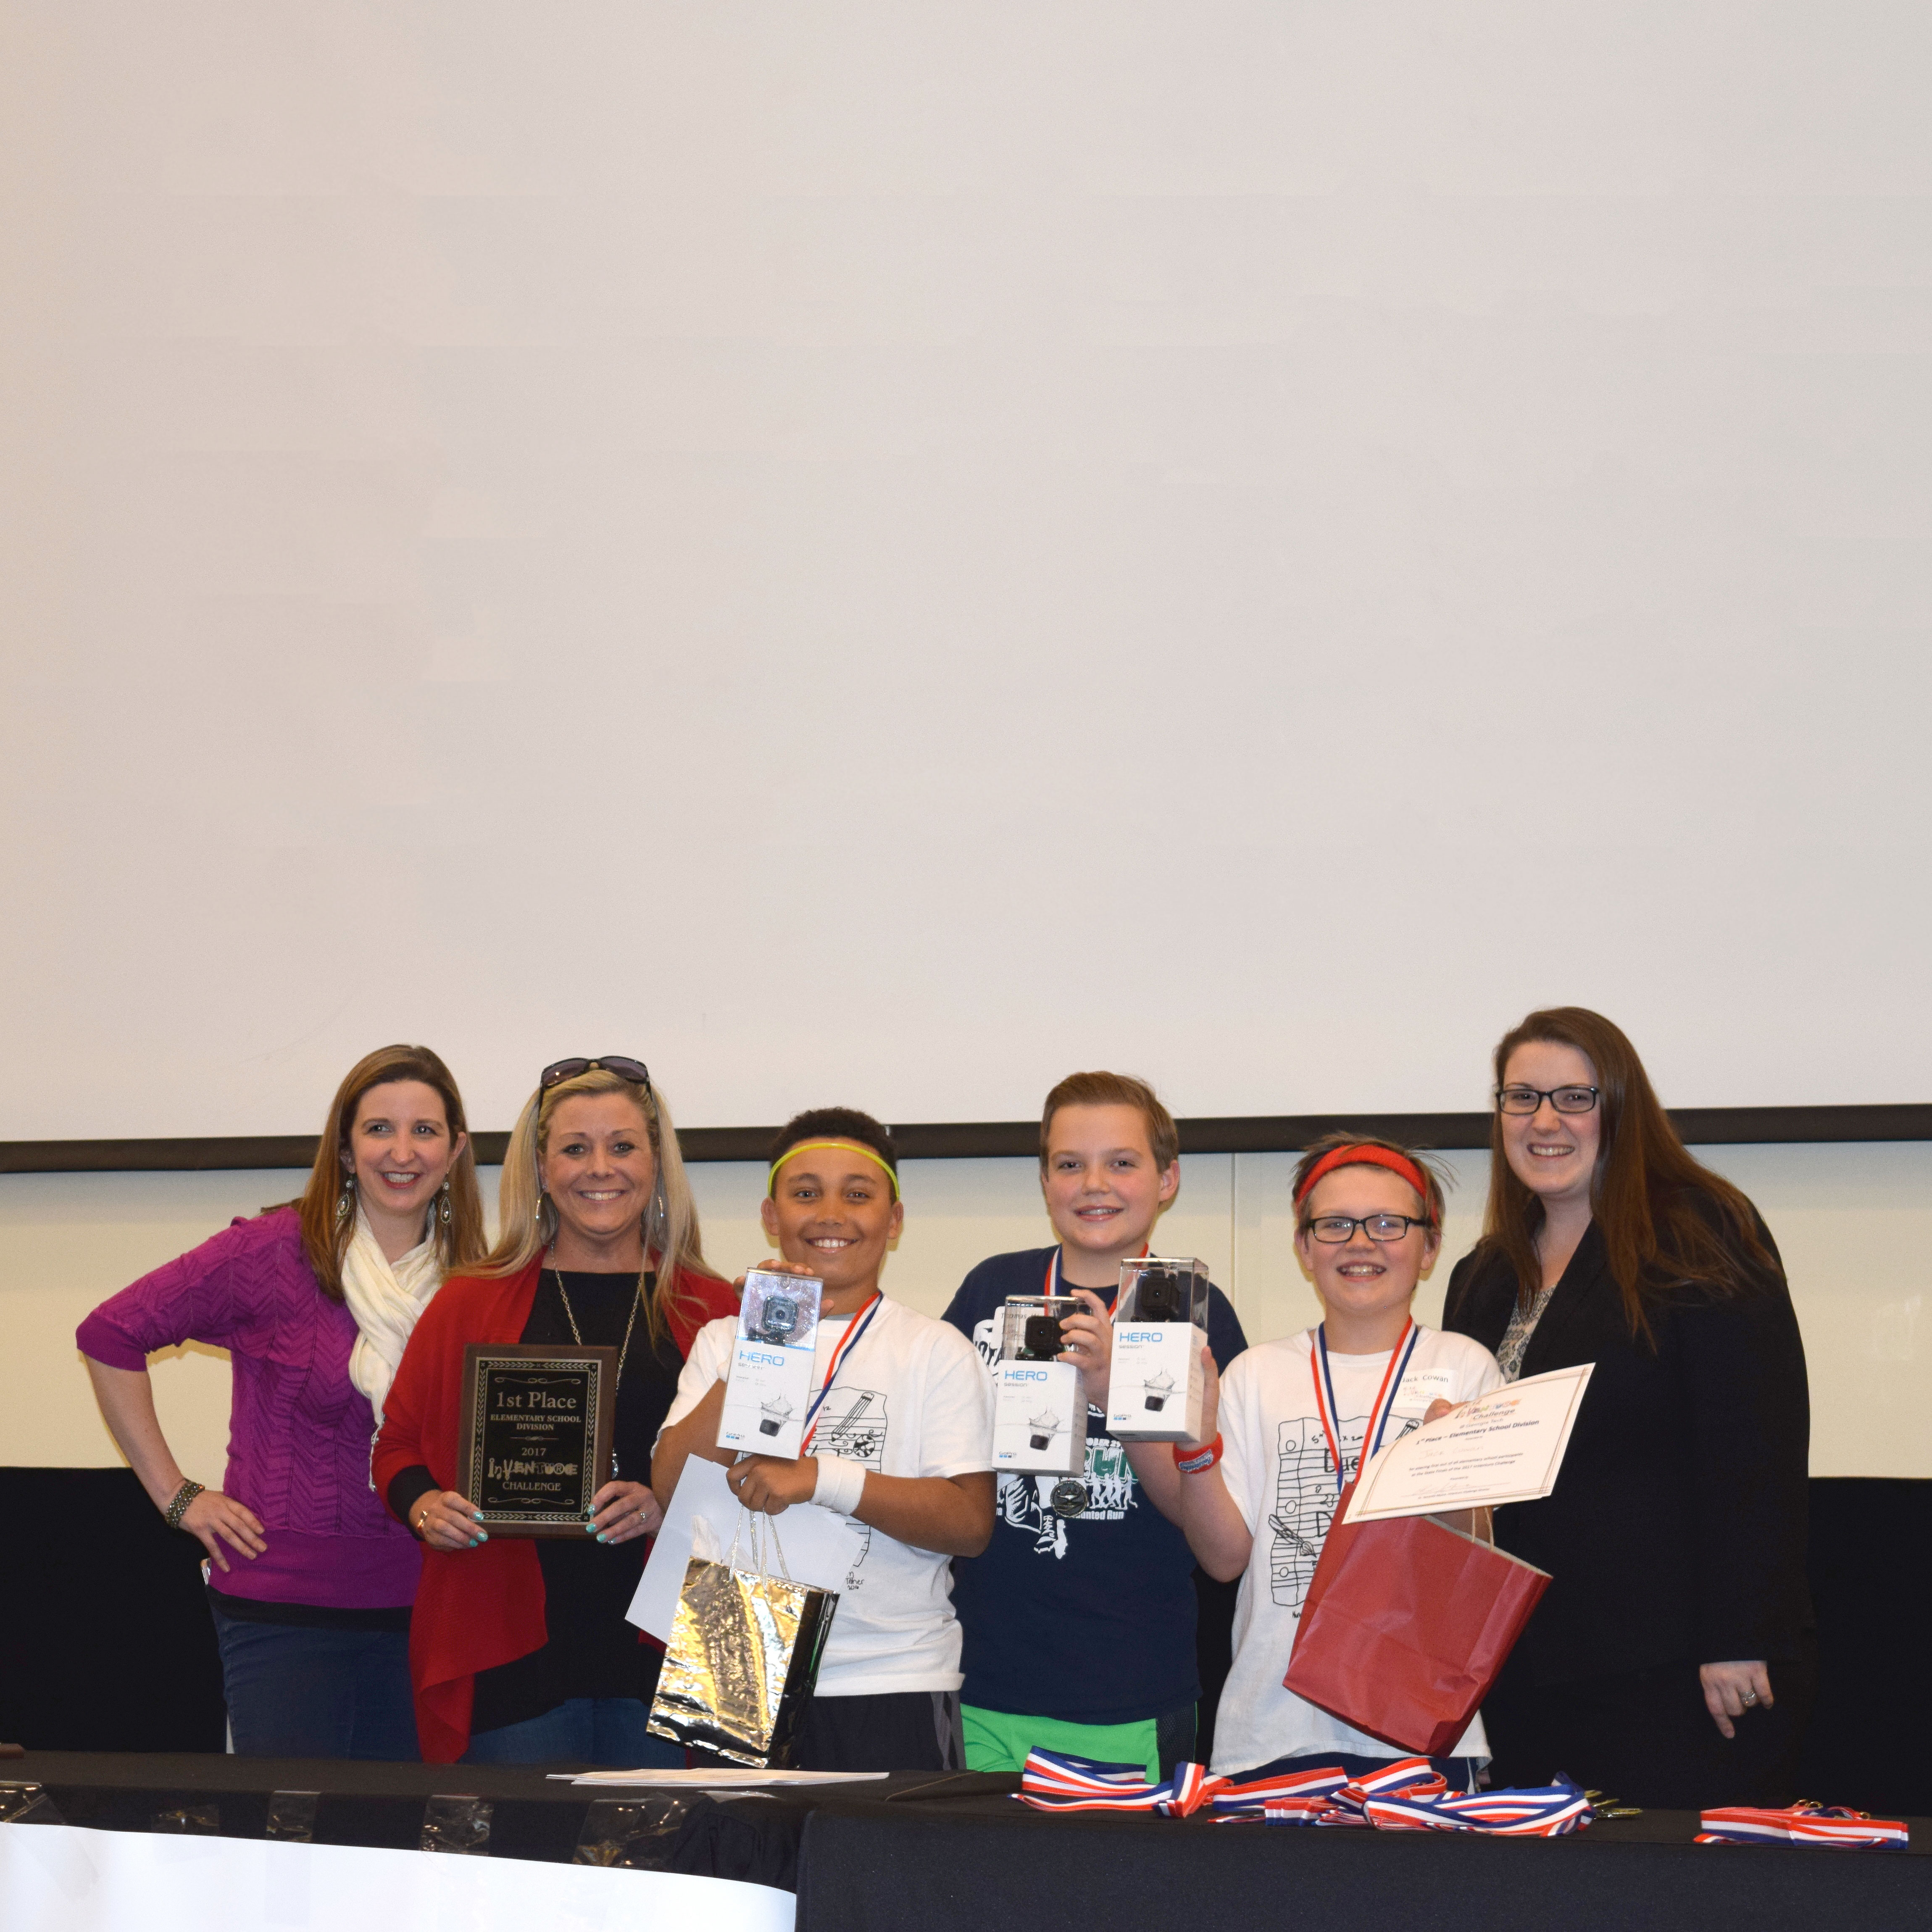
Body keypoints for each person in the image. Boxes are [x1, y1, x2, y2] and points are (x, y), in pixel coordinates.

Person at [1441, 1006, 1813, 1808]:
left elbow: (1753, 1450)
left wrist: (1738, 1637)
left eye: (1574, 1097)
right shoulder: (1483, 1272)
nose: (1544, 1121)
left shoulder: (1701, 1232)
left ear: (1620, 1106)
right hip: (1521, 1667)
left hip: (1671, 1666)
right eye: (1521, 1097)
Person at [78, 1044, 487, 1759]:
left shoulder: (481, 1279)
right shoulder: (272, 1253)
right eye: (378, 1128)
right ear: (345, 1145)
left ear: (455, 1150)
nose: (402, 1151)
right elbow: (110, 1333)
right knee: (289, 1848)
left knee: (401, 1853)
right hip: (282, 1614)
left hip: (431, 1607)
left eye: (424, 1130)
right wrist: (177, 1497)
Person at [373, 1057, 737, 1766]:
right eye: (575, 1148)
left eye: (623, 1145)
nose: (600, 1168)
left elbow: (760, 1471)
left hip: (673, 1649)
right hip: (514, 1647)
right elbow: (397, 1445)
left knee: (675, 1873)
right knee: (526, 1866)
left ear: (656, 1163)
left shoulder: (713, 1306)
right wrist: (424, 1508)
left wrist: (672, 1503)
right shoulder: (469, 1301)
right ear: (541, 1168)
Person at [655, 1108, 995, 1773]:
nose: (831, 1213)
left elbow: (969, 1522)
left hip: (887, 1672)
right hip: (731, 1653)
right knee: (733, 1871)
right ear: (770, 1214)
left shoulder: (934, 1349)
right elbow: (670, 1488)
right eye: (805, 1193)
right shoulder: (724, 1340)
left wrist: (820, 1477)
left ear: (893, 1220)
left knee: (878, 1876)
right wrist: (765, 1341)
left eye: (858, 1195)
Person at [1160, 1134, 1502, 1785]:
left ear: (1428, 1247)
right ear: (1302, 1246)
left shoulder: (1462, 1365)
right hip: (1272, 1729)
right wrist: (1194, 1448)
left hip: (1423, 1725)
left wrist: (1450, 1467)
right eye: (1335, 1224)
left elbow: (1477, 1562)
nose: (1360, 1241)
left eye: (1388, 1223)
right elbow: (1223, 1557)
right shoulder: (1256, 1374)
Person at [941, 1071, 1247, 1780]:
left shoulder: (1192, 1310)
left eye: (1122, 1162)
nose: (1093, 1184)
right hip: (984, 1673)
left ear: (1167, 1178)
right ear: (1044, 1179)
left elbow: (1202, 1523)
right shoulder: (993, 1287)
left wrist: (1115, 1393)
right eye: (1069, 1164)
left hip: (1130, 1686)